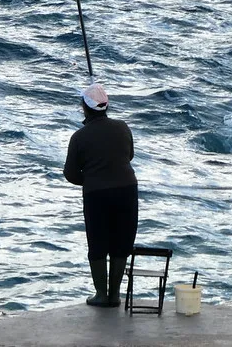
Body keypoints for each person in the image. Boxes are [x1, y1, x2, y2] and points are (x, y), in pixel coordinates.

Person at [64, 83, 138, 308]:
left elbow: (70, 173)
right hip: (127, 189)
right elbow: (130, 155)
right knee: (122, 240)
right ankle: (115, 294)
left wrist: (89, 180)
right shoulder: (123, 127)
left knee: (98, 242)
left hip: (97, 195)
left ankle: (101, 294)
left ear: (85, 109)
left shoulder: (79, 136)